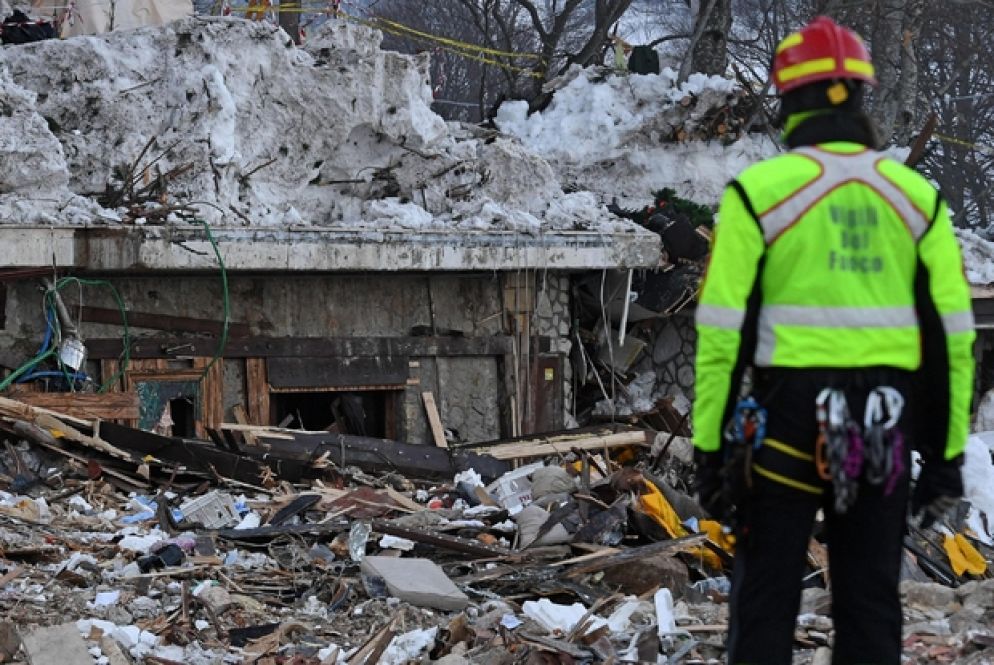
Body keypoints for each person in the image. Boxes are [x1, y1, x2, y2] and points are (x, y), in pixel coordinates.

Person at [691, 16, 975, 665]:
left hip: (786, 427)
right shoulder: (916, 200)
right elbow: (951, 340)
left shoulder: (757, 196)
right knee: (871, 605)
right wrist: (946, 454)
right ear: (862, 96)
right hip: (886, 424)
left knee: (764, 603)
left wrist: (709, 451)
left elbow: (719, 340)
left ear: (789, 101)